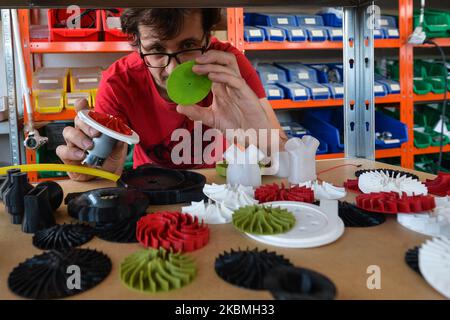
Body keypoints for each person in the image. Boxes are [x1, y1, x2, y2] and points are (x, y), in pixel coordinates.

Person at [57, 8, 287, 181]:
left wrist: (257, 137)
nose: (172, 69)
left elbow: (281, 155)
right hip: (153, 189)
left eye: (188, 45)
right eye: (156, 49)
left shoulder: (229, 67)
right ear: (138, 46)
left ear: (207, 38)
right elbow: (102, 171)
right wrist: (88, 169)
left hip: (221, 186)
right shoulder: (119, 83)